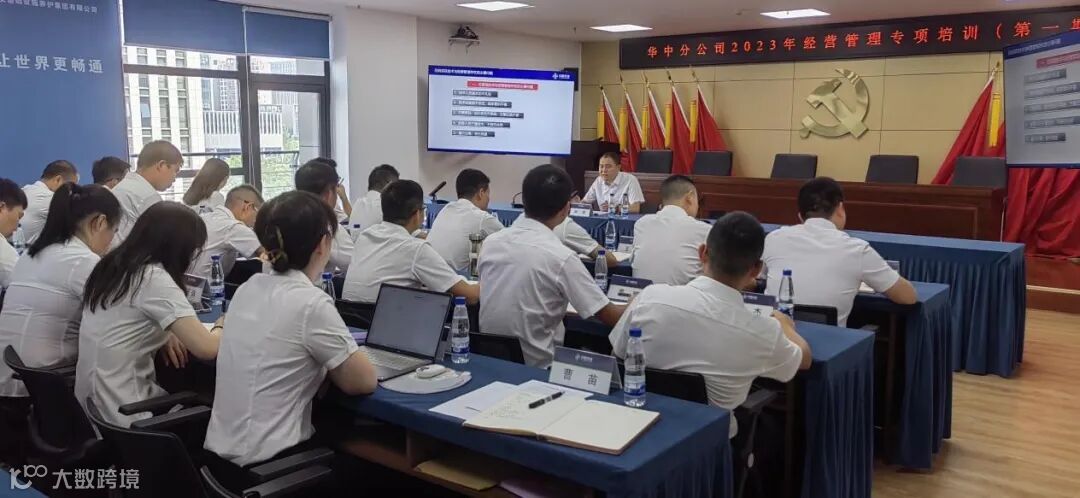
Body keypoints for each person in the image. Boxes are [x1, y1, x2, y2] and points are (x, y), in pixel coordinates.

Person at [205, 191, 376, 468]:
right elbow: (362, 381)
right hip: (273, 468)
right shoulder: (310, 302)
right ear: (323, 244)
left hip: (218, 463)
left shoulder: (248, 289)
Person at [609, 212, 811, 438]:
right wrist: (784, 324)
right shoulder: (761, 331)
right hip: (710, 447)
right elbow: (804, 359)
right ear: (756, 270)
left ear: (703, 253)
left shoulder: (649, 298)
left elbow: (618, 354)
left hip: (638, 430)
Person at [0, 185, 120, 463]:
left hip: (13, 381)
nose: (111, 241)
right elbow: (121, 317)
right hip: (38, 394)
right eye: (113, 231)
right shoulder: (82, 261)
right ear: (99, 222)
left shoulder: (32, 254)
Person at [75, 202, 221, 427]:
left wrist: (167, 330)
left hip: (91, 409)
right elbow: (207, 348)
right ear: (179, 248)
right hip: (129, 416)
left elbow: (128, 318)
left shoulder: (112, 267)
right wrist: (222, 323)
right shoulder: (153, 277)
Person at [479, 165, 626, 368]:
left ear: (524, 201)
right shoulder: (561, 257)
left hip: (489, 363)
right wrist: (638, 302)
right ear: (566, 209)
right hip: (540, 371)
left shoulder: (490, 243)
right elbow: (610, 316)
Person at [762, 178, 917, 326]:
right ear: (840, 209)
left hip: (775, 337)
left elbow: (756, 277)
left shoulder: (774, 238)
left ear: (800, 216)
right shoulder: (857, 249)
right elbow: (908, 297)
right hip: (829, 343)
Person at [343, 180, 479, 304]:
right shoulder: (416, 249)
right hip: (388, 321)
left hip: (352, 320)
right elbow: (470, 296)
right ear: (417, 214)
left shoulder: (365, 237)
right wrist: (486, 284)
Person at [631, 175, 711, 285]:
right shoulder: (704, 230)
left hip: (641, 294)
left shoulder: (641, 223)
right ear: (690, 197)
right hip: (683, 295)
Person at [427, 169, 504, 272]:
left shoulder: (446, 208)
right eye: (488, 194)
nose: (488, 199)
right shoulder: (482, 218)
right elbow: (510, 242)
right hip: (450, 279)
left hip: (426, 272)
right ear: (481, 193)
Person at [110, 140, 183, 247]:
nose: (174, 178)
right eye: (175, 171)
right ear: (162, 165)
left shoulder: (123, 186)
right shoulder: (148, 197)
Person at [189, 185, 263, 281]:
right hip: (206, 288)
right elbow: (266, 254)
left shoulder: (207, 217)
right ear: (247, 207)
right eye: (258, 214)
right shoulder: (233, 227)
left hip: (188, 283)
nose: (256, 220)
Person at [295, 160, 352, 272]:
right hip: (312, 283)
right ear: (328, 194)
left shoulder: (285, 217)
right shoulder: (327, 226)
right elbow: (354, 264)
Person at [21, 160, 79, 243]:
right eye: (70, 189)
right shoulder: (50, 198)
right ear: (58, 180)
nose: (70, 193)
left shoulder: (24, 190)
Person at [348, 164, 398, 231]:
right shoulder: (385, 207)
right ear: (389, 184)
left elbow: (354, 228)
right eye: (396, 186)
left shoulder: (357, 204)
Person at [0, 180, 27, 288]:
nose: (16, 227)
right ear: (2, 207)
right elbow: (25, 287)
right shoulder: (3, 252)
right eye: (18, 216)